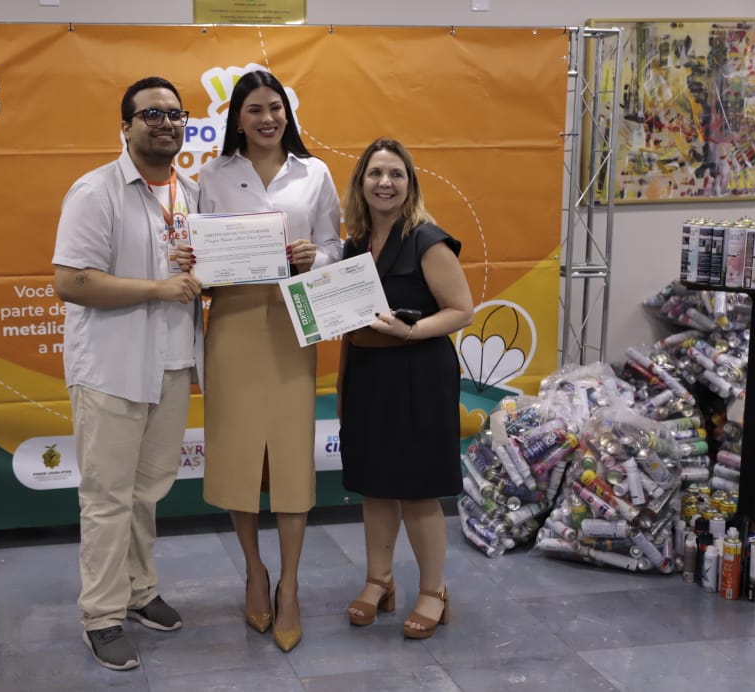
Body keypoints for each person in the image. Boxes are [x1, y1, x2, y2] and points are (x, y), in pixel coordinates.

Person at [52, 76, 204, 671]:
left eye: (174, 114)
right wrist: (158, 288)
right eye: (151, 115)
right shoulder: (96, 191)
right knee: (108, 498)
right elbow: (71, 281)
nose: (165, 123)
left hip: (172, 365)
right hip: (112, 370)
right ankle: (101, 615)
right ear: (126, 126)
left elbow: (204, 274)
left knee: (148, 492)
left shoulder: (190, 193)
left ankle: (140, 592)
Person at [197, 70, 341, 652]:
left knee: (289, 459)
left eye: (275, 107)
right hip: (232, 323)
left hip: (291, 324)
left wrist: (315, 257)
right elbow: (202, 255)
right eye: (255, 109)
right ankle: (255, 572)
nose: (267, 118)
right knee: (237, 455)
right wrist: (197, 263)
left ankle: (291, 586)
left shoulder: (314, 173)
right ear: (237, 117)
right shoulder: (213, 175)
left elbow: (335, 246)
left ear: (287, 113)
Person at [337, 138, 473, 639]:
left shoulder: (427, 240)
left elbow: (461, 310)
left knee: (417, 491)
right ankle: (380, 581)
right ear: (361, 183)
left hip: (419, 376)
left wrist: (411, 331)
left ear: (410, 184)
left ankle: (434, 591)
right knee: (375, 486)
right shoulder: (353, 246)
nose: (385, 182)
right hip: (369, 376)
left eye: (396, 174)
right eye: (375, 173)